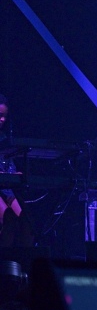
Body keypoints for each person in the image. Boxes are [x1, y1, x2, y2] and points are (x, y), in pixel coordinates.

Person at [0, 94, 34, 247]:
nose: (3, 120)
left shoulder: (3, 137)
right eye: (0, 115)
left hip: (6, 189)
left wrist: (14, 175)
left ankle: (24, 263)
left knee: (26, 221)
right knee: (9, 219)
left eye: (4, 116)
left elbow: (8, 163)